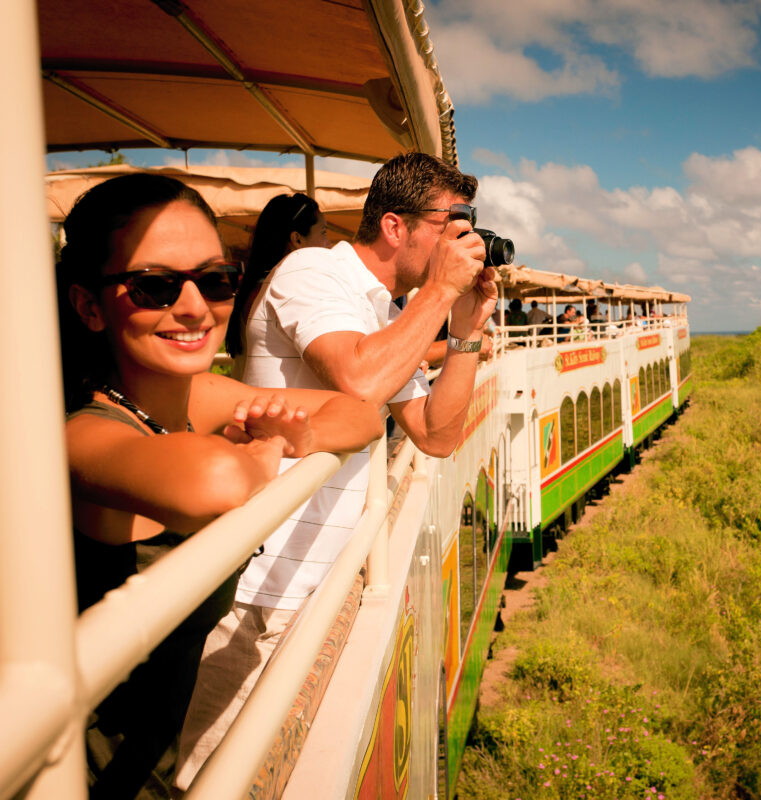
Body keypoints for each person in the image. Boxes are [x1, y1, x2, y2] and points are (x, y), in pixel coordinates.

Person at [175, 152, 497, 788]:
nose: (464, 241)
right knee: (212, 778)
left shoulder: (387, 309)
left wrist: (462, 334)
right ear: (396, 227)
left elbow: (435, 434)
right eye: (450, 223)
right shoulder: (313, 270)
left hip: (323, 577)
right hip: (263, 590)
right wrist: (439, 293)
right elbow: (359, 378)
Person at [57, 173, 382, 799]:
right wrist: (265, 442)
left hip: (152, 763)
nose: (194, 308)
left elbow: (360, 413)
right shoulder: (81, 433)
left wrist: (292, 437)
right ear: (89, 306)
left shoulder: (197, 396)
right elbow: (215, 479)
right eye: (154, 286)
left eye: (215, 280)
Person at [225, 193, 331, 372]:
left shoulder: (254, 288)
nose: (329, 244)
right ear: (297, 239)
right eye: (323, 233)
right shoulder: (289, 290)